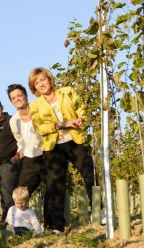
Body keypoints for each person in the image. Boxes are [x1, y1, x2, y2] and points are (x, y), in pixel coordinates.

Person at [28, 67, 95, 235]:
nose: (41, 84)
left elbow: (81, 109)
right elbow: (40, 128)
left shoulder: (67, 92)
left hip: (74, 140)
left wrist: (80, 119)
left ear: (50, 79)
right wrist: (61, 124)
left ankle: (99, 210)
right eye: (37, 83)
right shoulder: (35, 105)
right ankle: (57, 226)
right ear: (34, 88)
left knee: (89, 172)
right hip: (53, 146)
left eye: (43, 79)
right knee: (56, 184)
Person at [7, 84, 47, 220]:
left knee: (53, 190)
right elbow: (20, 141)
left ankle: (53, 225)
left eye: (19, 95)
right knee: (19, 192)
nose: (17, 99)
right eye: (13, 98)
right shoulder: (14, 121)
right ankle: (17, 224)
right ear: (11, 102)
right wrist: (18, 155)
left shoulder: (39, 109)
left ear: (25, 95)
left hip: (48, 154)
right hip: (30, 158)